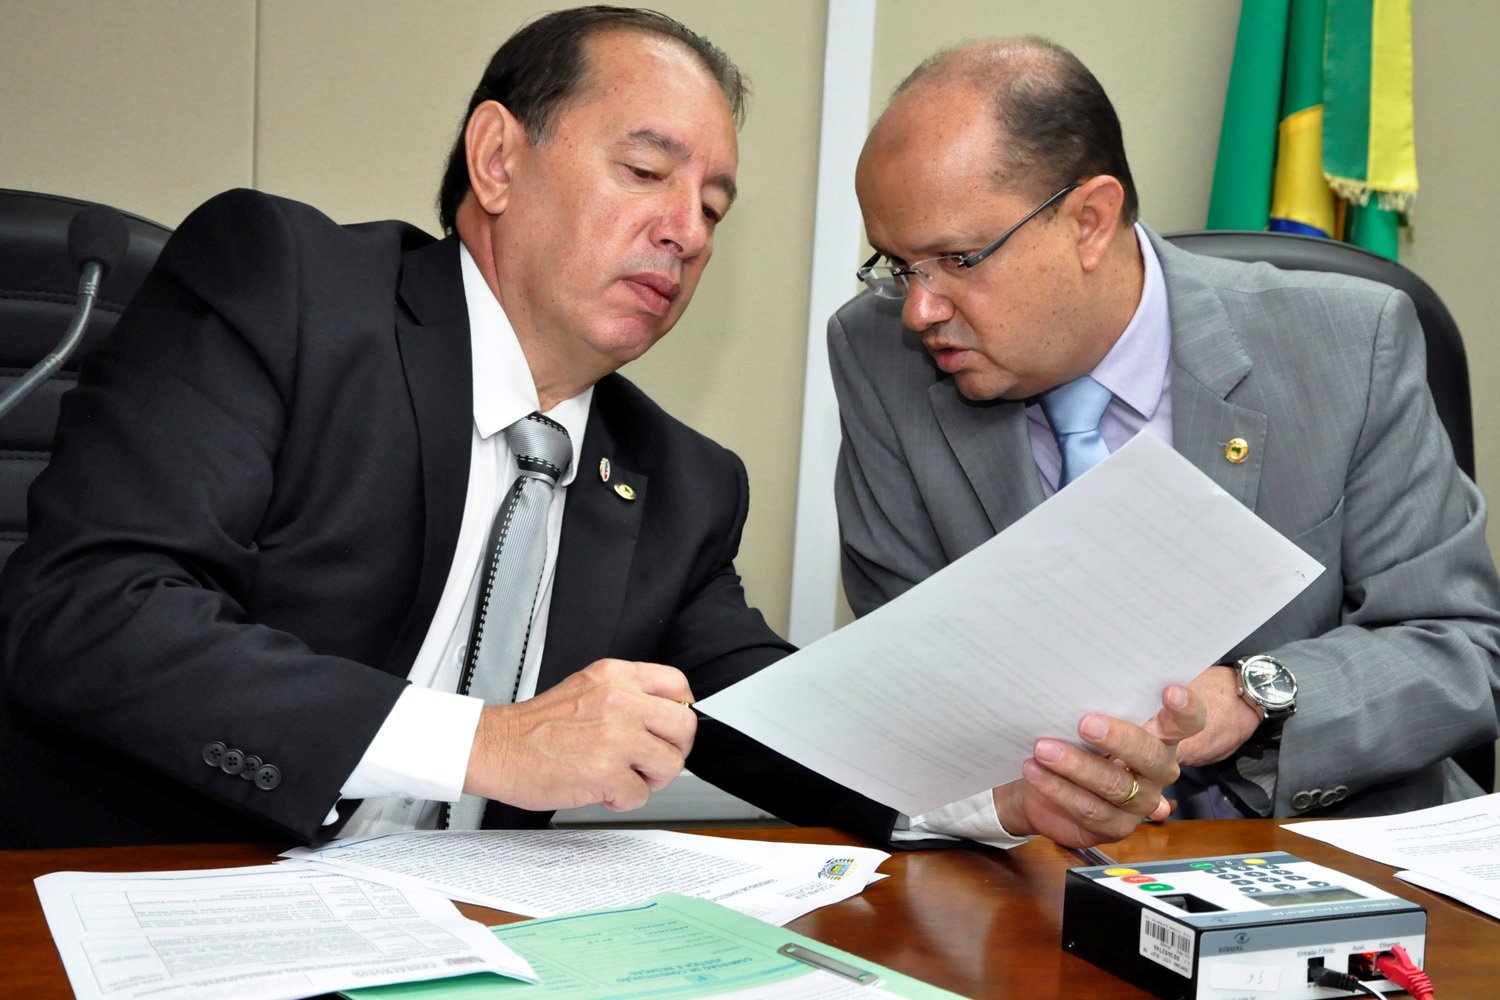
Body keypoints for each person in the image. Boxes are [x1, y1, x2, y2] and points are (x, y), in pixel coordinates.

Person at [0, 5, 916, 849]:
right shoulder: (290, 292)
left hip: (465, 933)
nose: (689, 231)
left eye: (713, 208)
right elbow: (92, 609)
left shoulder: (682, 480)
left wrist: (970, 800)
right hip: (152, 892)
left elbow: (775, 719)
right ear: (497, 159)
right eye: (645, 172)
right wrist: (489, 744)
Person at [832, 36, 1500, 848]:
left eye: (956, 260)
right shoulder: (879, 357)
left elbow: (1461, 649)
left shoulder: (1348, 344)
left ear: (1089, 221)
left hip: (1331, 848)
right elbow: (906, 683)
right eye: (898, 265)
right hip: (1036, 867)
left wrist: (1253, 699)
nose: (919, 311)